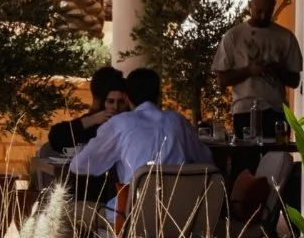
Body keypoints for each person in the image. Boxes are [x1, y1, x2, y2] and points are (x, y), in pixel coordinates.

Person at [67, 67, 213, 208]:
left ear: (126, 97)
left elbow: (78, 166)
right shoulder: (179, 121)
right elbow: (206, 160)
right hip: (181, 214)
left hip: (132, 215)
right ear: (159, 96)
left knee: (73, 210)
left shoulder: (119, 124)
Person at [211, 0, 303, 140]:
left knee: (276, 154)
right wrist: (249, 71)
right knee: (247, 155)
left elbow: (295, 80)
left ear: (274, 6)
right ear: (249, 6)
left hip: (276, 111)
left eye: (268, 12)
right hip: (244, 110)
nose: (263, 16)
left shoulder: (286, 37)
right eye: (259, 11)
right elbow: (221, 78)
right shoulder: (234, 36)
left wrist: (277, 70)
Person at [48, 65, 129, 152]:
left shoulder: (130, 120)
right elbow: (56, 137)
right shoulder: (96, 122)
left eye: (121, 101)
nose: (115, 107)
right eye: (110, 101)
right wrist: (93, 119)